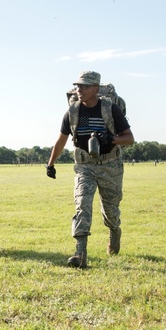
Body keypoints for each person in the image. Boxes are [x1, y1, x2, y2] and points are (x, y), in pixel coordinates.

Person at [46, 71, 134, 268]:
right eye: (78, 86)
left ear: (96, 88)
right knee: (82, 204)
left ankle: (114, 230)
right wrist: (50, 164)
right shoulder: (73, 112)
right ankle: (80, 253)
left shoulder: (111, 109)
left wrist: (110, 139)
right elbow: (61, 140)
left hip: (110, 165)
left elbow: (129, 138)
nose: (80, 89)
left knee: (110, 209)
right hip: (84, 166)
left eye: (85, 86)